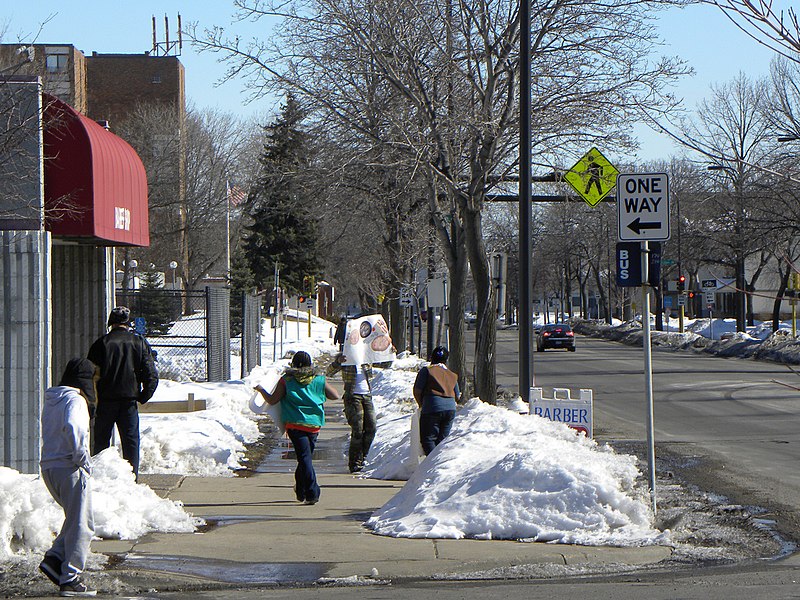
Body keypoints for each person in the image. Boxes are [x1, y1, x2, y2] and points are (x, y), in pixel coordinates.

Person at [39, 358, 99, 597]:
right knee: (83, 524)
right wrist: (82, 457)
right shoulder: (75, 399)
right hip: (69, 467)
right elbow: (74, 427)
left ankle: (54, 559)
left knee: (74, 519)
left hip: (50, 466)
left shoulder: (54, 399)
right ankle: (71, 579)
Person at [255, 351, 339, 504]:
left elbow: (273, 400)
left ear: (293, 364)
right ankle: (301, 491)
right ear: (310, 365)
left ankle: (312, 493)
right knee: (304, 458)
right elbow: (335, 395)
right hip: (314, 424)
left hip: (295, 425)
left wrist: (261, 391)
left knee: (304, 459)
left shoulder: (287, 380)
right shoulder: (318, 380)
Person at [88, 306, 158, 479]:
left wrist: (91, 401)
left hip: (105, 401)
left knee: (101, 442)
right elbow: (151, 373)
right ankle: (132, 477)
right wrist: (143, 396)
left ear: (111, 323)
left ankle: (100, 477)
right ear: (128, 323)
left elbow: (89, 374)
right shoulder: (138, 342)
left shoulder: (101, 343)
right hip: (128, 401)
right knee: (130, 442)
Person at [326, 353, 377, 473]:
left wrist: (389, 351)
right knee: (358, 429)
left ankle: (363, 456)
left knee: (371, 427)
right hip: (352, 395)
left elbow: (384, 362)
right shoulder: (347, 357)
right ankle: (355, 462)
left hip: (367, 395)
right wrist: (338, 362)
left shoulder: (367, 356)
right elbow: (329, 372)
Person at [413, 346, 461, 456]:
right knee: (442, 442)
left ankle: (431, 466)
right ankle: (439, 463)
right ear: (446, 360)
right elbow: (457, 396)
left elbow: (417, 390)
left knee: (428, 440)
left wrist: (421, 404)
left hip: (432, 407)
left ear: (431, 358)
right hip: (450, 409)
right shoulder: (452, 375)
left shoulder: (426, 371)